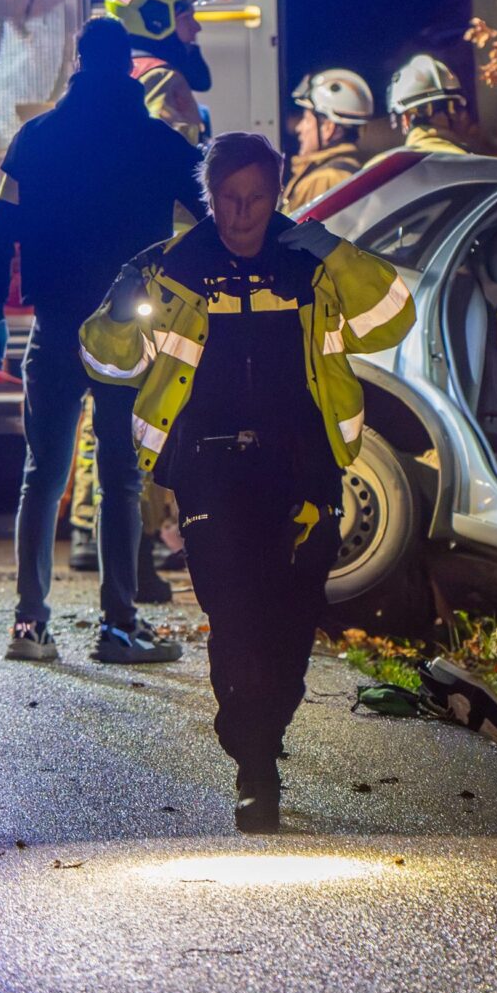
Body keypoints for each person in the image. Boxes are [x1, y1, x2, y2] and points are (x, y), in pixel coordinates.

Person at [80, 131, 418, 831]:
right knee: (235, 617)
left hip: (303, 465)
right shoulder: (171, 268)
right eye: (228, 199)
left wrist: (334, 250)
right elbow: (109, 364)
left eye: (256, 199)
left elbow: (393, 315)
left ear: (277, 194)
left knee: (291, 622)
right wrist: (118, 312)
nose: (241, 214)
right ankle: (254, 765)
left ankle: (264, 729)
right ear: (209, 195)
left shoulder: (311, 265)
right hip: (209, 468)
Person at [0, 16, 207, 664]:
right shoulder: (155, 141)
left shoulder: (36, 138)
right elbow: (215, 209)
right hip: (128, 332)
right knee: (120, 479)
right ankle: (118, 624)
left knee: (41, 476)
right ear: (127, 68)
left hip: (52, 326)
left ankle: (29, 625)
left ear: (77, 61)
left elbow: (0, 234)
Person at [75, 0, 212, 581]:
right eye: (187, 14)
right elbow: (186, 185)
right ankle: (129, 544)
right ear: (153, 14)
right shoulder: (162, 83)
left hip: (105, 263)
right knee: (150, 397)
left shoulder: (99, 80)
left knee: (107, 385)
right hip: (162, 268)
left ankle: (89, 527)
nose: (195, 29)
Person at [104, 0, 213, 144]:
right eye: (187, 18)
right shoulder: (160, 78)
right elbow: (165, 153)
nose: (197, 28)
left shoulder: (113, 70)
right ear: (156, 20)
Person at [283, 69, 376, 211]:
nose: (299, 128)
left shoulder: (324, 180)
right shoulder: (340, 171)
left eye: (307, 119)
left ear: (328, 128)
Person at [388, 53, 482, 155]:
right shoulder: (476, 165)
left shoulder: (380, 167)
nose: (464, 116)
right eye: (458, 109)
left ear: (405, 120)